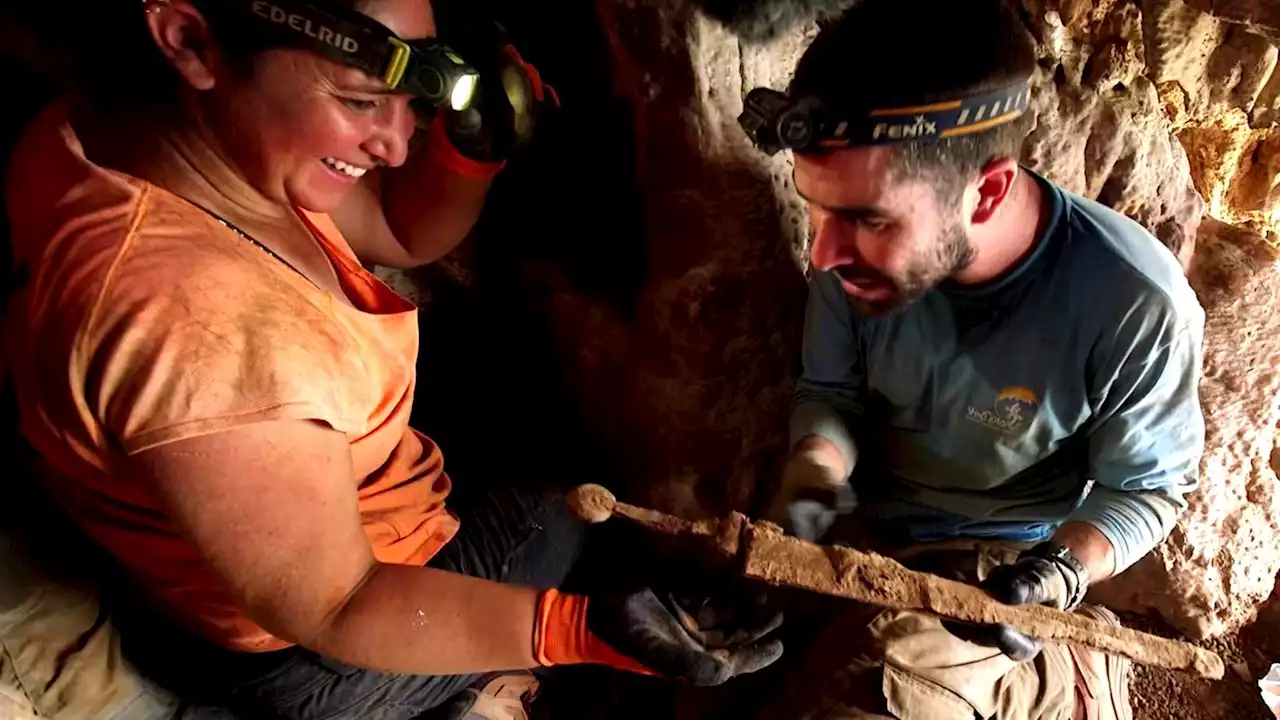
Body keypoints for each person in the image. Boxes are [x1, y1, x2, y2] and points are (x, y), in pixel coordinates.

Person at [2, 0, 783, 718]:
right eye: (360, 101)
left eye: (410, 103)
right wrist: (573, 628)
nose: (397, 142)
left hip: (242, 550)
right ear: (190, 39)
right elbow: (342, 603)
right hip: (310, 656)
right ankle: (481, 697)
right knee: (570, 514)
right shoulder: (196, 329)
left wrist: (472, 150)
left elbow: (398, 234)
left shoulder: (170, 136)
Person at [748, 0, 1205, 718]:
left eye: (867, 219)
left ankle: (1067, 667)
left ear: (987, 189)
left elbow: (1146, 491)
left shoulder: (1133, 303)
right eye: (816, 207)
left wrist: (1058, 572)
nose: (822, 253)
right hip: (872, 528)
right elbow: (832, 394)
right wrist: (808, 491)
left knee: (885, 686)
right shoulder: (852, 262)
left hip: (1003, 559)